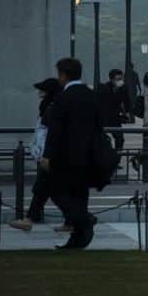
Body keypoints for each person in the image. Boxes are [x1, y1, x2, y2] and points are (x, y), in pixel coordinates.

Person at [40, 57, 100, 249]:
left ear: (63, 75)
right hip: (88, 153)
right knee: (80, 195)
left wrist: (47, 155)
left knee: (57, 191)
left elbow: (55, 130)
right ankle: (78, 239)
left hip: (66, 155)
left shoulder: (63, 98)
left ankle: (84, 220)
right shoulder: (91, 95)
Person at [10, 79, 70, 232]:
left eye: (42, 89)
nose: (39, 93)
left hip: (51, 155)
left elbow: (52, 134)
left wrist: (47, 155)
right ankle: (73, 220)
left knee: (45, 188)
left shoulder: (51, 107)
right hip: (52, 154)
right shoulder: (49, 106)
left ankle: (30, 219)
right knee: (47, 189)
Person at [98, 69, 126, 156]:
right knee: (102, 139)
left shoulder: (123, 88)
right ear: (112, 79)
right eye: (118, 79)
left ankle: (116, 159)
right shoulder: (104, 87)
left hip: (115, 118)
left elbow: (125, 100)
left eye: (121, 79)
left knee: (120, 139)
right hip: (104, 118)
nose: (120, 81)